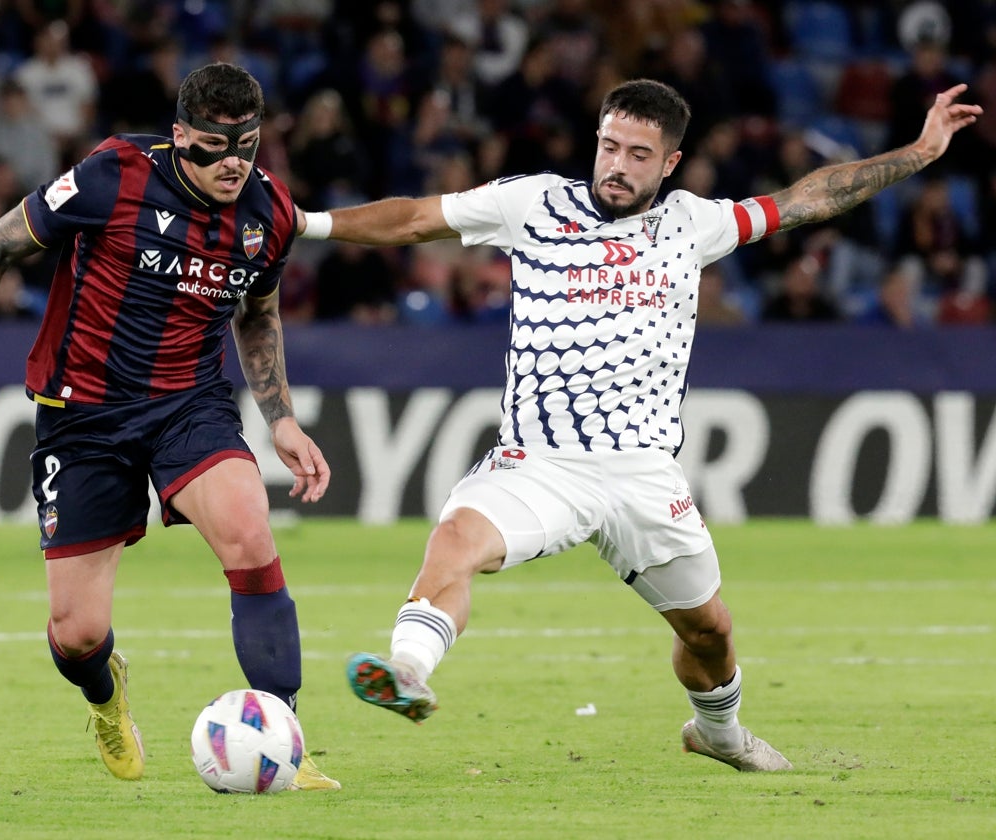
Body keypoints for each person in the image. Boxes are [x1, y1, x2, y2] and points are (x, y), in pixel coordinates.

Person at [297, 78, 980, 772]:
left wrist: (921, 150)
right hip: (541, 461)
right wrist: (309, 225)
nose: (617, 165)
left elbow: (808, 199)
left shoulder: (693, 223)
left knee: (708, 631)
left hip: (644, 473)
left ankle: (719, 731)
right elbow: (414, 218)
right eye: (609, 146)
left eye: (638, 154)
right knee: (456, 538)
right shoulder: (531, 203)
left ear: (670, 163)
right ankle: (408, 669)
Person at [0, 62, 339, 790]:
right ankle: (106, 695)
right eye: (214, 146)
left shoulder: (268, 215)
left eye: (246, 144)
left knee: (249, 531)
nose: (232, 162)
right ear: (180, 137)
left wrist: (280, 418)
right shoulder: (112, 175)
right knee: (76, 634)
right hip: (82, 414)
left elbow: (257, 313)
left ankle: (284, 738)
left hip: (189, 405)